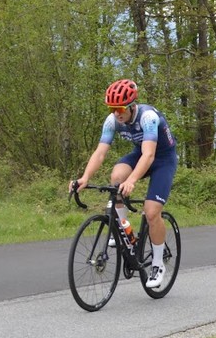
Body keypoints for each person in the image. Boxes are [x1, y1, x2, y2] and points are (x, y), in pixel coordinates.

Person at [69, 79, 178, 288]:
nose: (116, 113)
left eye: (119, 108)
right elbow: (100, 153)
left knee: (152, 211)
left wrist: (133, 181)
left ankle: (157, 264)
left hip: (162, 159)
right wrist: (85, 178)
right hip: (140, 154)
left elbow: (149, 155)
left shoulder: (148, 117)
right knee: (116, 177)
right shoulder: (112, 121)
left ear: (131, 106)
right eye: (112, 108)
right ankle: (124, 229)